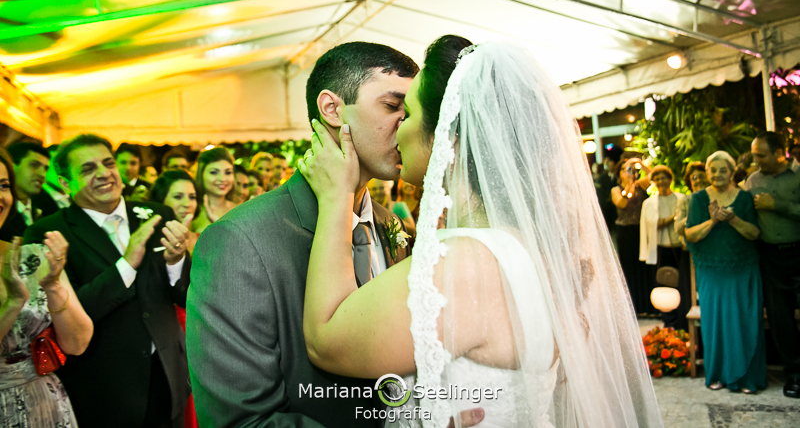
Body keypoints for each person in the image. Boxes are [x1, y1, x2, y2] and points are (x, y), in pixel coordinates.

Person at [297, 37, 662, 427]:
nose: (398, 129)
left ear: (446, 141)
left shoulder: (464, 262)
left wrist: (335, 198)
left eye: (408, 114)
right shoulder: (529, 248)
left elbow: (325, 342)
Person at [187, 41, 419, 427]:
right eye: (392, 106)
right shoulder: (240, 240)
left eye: (409, 113)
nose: (406, 125)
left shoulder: (391, 225)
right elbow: (241, 420)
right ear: (331, 109)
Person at [24, 134, 192, 428]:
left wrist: (176, 261)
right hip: (104, 388)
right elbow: (66, 317)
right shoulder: (48, 234)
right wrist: (126, 264)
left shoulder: (156, 214)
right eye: (88, 169)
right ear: (65, 183)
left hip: (168, 376)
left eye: (108, 163)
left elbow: (184, 296)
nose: (103, 173)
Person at [0, 148, 93, 427]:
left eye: (3, 186)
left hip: (43, 402)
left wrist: (53, 286)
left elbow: (77, 344)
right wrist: (13, 303)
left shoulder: (33, 256)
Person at [686, 151, 765, 393]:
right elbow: (690, 234)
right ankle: (718, 374)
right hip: (711, 270)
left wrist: (733, 220)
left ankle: (747, 378)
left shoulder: (744, 198)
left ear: (732, 173)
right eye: (713, 169)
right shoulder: (698, 199)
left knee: (745, 321)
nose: (717, 174)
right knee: (715, 323)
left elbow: (754, 233)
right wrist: (713, 221)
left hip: (742, 268)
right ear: (707, 172)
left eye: (723, 170)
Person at [744, 131, 800, 398]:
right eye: (754, 155)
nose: (755, 161)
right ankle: (795, 374)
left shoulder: (798, 175)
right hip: (770, 257)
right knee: (781, 318)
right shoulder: (752, 181)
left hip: (798, 250)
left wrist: (777, 205)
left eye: (761, 155)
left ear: (780, 153)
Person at [149, 170, 199, 428]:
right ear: (160, 199)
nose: (187, 202)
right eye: (177, 196)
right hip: (168, 328)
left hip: (195, 324)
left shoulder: (196, 234)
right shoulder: (148, 239)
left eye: (191, 196)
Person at [640, 166, 685, 329]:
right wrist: (673, 218)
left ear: (670, 179)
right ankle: (667, 320)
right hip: (659, 248)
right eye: (657, 179)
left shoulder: (681, 199)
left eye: (663, 178)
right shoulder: (649, 203)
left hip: (679, 247)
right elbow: (653, 224)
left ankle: (680, 318)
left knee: (680, 282)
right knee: (663, 283)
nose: (660, 182)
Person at [611, 157, 654, 316]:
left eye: (631, 170)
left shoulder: (641, 185)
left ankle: (649, 307)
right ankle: (635, 307)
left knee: (644, 267)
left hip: (641, 231)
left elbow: (652, 176)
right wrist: (629, 184)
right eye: (625, 170)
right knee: (630, 269)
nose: (629, 172)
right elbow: (622, 203)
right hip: (625, 232)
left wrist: (640, 164)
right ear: (619, 173)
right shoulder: (616, 189)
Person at [674, 161, 709, 332]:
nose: (698, 180)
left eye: (702, 176)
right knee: (691, 296)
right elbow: (678, 226)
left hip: (712, 252)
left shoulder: (715, 196)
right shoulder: (686, 200)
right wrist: (695, 219)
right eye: (694, 177)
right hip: (690, 254)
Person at [0, 143, 53, 242]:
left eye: (45, 168)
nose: (42, 174)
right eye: (34, 165)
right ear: (12, 166)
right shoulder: (3, 210)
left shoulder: (45, 208)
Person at [189, 147, 236, 235]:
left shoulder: (239, 210)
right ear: (201, 174)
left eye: (228, 172)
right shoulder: (192, 210)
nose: (222, 179)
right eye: (214, 172)